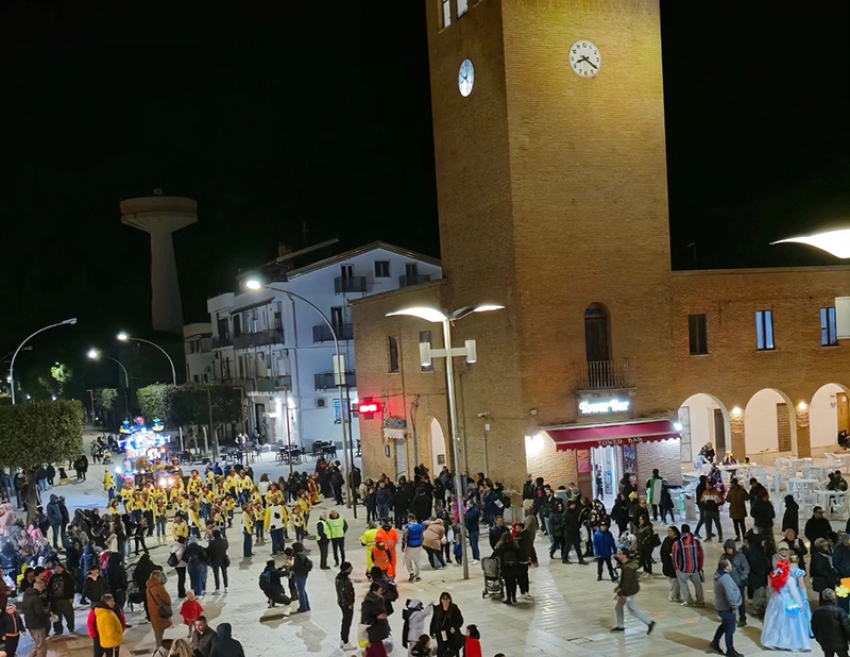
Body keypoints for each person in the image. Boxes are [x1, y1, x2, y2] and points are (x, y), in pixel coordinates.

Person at [761, 558, 812, 651]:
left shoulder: (774, 577)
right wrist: (800, 604)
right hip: (787, 602)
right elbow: (794, 593)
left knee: (774, 622)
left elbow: (771, 590)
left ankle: (771, 641)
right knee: (790, 623)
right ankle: (789, 643)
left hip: (775, 601)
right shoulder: (789, 578)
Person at [610, 549, 655, 634]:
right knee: (618, 607)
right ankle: (620, 626)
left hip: (629, 591)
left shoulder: (628, 568)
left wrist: (618, 594)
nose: (617, 555)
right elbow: (624, 580)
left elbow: (626, 584)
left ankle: (649, 622)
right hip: (628, 589)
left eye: (619, 554)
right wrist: (618, 587)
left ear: (625, 556)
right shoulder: (626, 565)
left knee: (631, 609)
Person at [710, 557, 743, 657]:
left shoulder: (719, 575)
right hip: (727, 608)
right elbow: (730, 595)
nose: (731, 566)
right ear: (726, 568)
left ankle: (715, 642)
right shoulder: (725, 578)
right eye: (729, 565)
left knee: (725, 625)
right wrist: (734, 606)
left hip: (721, 607)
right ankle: (730, 650)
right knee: (730, 629)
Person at [672, 523, 704, 607]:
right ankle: (700, 599)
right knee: (697, 583)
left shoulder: (677, 543)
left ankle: (688, 600)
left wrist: (676, 567)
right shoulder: (696, 542)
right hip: (695, 567)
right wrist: (699, 566)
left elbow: (674, 557)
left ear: (681, 532)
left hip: (683, 568)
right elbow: (701, 555)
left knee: (683, 584)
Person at [811, 588, 850, 657]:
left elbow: (814, 627)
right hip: (841, 642)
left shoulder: (817, 612)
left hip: (825, 641)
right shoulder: (840, 611)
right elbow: (847, 627)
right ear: (834, 597)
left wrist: (818, 638)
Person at [20, 578, 49, 657]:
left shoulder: (26, 595)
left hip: (30, 623)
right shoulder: (36, 598)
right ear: (39, 587)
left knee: (37, 644)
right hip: (37, 624)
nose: (42, 590)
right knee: (41, 646)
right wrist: (47, 612)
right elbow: (39, 612)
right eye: (42, 588)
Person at [723, 539, 750, 628]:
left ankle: (743, 619)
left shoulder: (740, 556)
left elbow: (746, 568)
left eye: (730, 548)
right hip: (728, 583)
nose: (728, 550)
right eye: (727, 549)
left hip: (739, 583)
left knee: (741, 602)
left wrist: (742, 577)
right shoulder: (723, 557)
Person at [430, 591, 464, 657]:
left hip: (451, 634)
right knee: (441, 650)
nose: (445, 601)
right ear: (441, 600)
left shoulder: (454, 608)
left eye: (447, 599)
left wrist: (455, 627)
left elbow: (460, 620)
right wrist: (432, 632)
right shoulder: (437, 609)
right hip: (441, 633)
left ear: (449, 600)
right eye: (443, 599)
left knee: (453, 650)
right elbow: (434, 621)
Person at [361, 581, 390, 652]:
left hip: (380, 629)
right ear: (374, 591)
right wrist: (377, 619)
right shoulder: (367, 603)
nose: (381, 592)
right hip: (374, 632)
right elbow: (365, 619)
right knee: (376, 652)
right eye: (380, 590)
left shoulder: (380, 599)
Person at [147, 570, 173, 648]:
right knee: (160, 632)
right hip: (160, 611)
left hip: (153, 611)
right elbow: (168, 600)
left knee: (157, 631)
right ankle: (159, 648)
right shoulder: (158, 588)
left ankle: (158, 646)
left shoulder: (148, 588)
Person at [48, 562, 76, 635]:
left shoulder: (68, 577)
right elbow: (49, 587)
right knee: (56, 615)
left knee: (69, 615)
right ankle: (58, 630)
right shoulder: (53, 577)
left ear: (63, 568)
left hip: (65, 598)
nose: (57, 569)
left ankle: (71, 628)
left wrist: (71, 597)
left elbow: (71, 588)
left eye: (59, 568)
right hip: (55, 600)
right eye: (56, 568)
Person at [493, 532, 520, 605]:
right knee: (513, 582)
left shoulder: (501, 545)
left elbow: (494, 554)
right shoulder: (514, 544)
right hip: (514, 567)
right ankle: (514, 597)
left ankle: (509, 598)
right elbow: (518, 554)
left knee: (507, 583)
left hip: (505, 567)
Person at [335, 562, 356, 651]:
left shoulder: (338, 577)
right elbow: (346, 593)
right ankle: (345, 641)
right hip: (346, 604)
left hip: (341, 602)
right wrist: (349, 604)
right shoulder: (345, 580)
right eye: (350, 567)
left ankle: (343, 639)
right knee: (347, 622)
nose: (352, 569)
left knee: (345, 621)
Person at [660, 526, 681, 602]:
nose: (669, 533)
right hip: (667, 562)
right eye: (668, 531)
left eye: (671, 531)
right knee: (672, 580)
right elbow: (662, 550)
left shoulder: (678, 541)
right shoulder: (667, 539)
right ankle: (676, 595)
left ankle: (673, 595)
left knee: (675, 580)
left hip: (676, 564)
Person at [291, 541, 312, 613]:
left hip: (299, 574)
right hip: (304, 574)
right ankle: (306, 606)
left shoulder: (298, 556)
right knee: (302, 590)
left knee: (300, 591)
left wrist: (291, 568)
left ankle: (303, 607)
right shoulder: (302, 554)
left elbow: (297, 566)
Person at [403, 515, 424, 582]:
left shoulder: (408, 527)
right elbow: (422, 536)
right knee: (417, 561)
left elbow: (405, 537)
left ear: (410, 519)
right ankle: (418, 575)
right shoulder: (420, 526)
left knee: (408, 560)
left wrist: (403, 547)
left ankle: (411, 573)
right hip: (419, 545)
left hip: (410, 546)